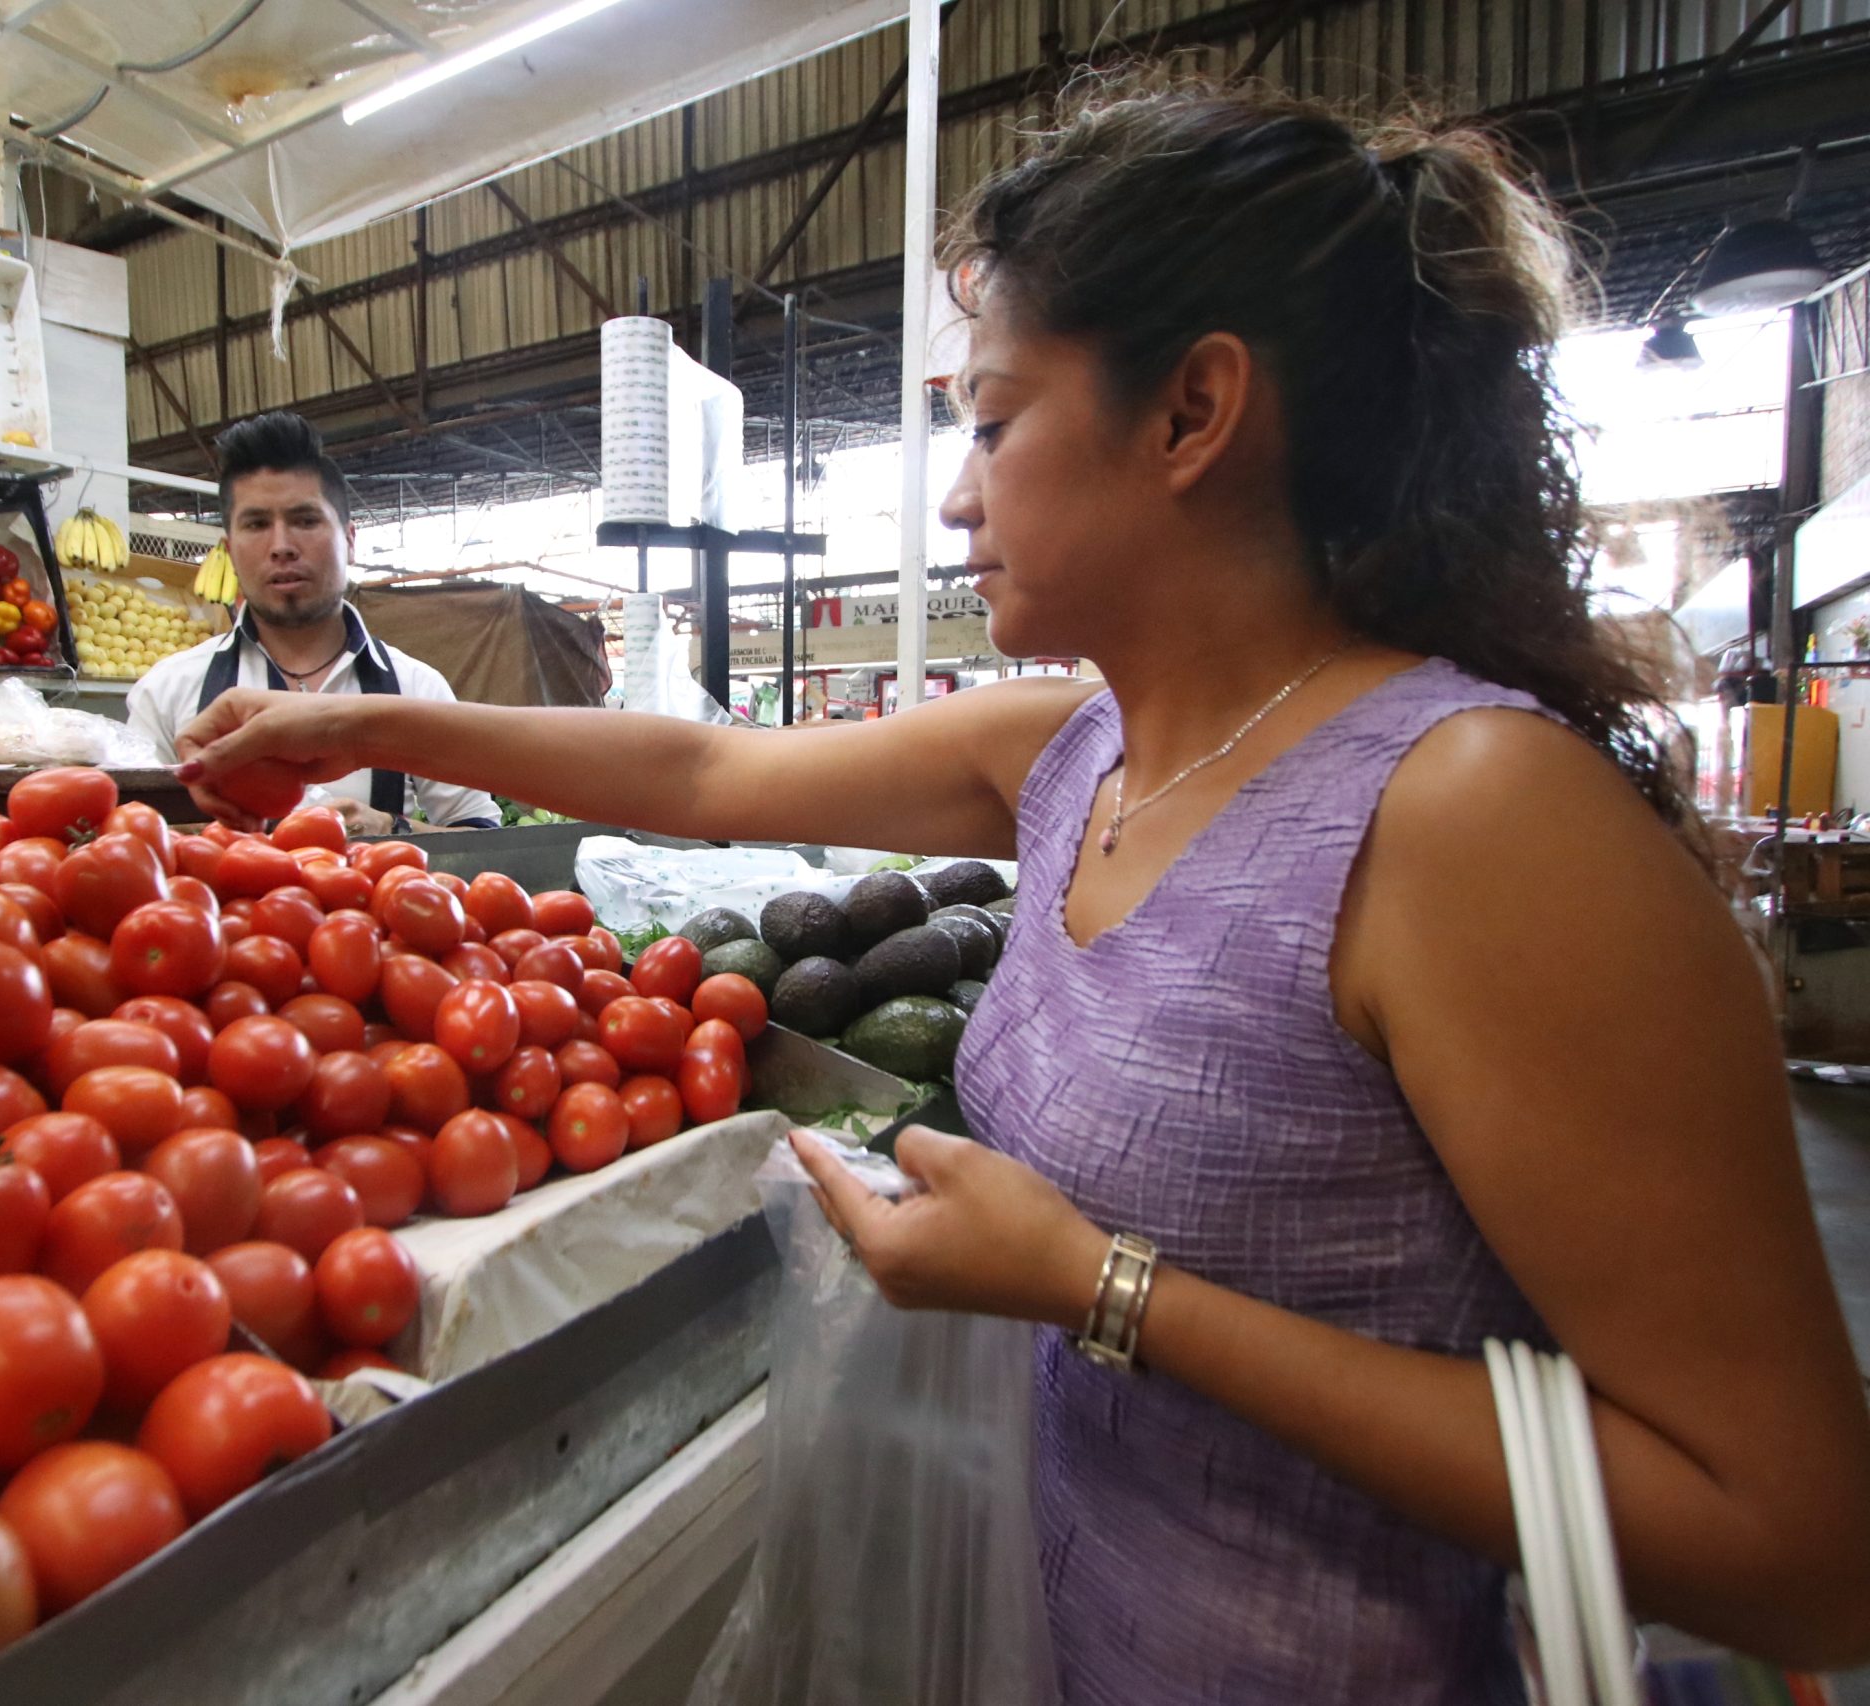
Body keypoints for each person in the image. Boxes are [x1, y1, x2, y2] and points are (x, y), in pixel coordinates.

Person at [173, 79, 1870, 1701]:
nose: (959, 494)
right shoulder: (1079, 748)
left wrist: (1101, 1290)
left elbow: (1791, 1545)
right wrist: (365, 720)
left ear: (1194, 412)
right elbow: (701, 777)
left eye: (991, 420)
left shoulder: (1476, 816)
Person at [124, 411, 499, 835]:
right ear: (228, 551)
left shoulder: (417, 690)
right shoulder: (166, 692)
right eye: (257, 524)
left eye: (305, 520)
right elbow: (133, 838)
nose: (282, 546)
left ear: (350, 540)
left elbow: (483, 841)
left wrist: (390, 826)